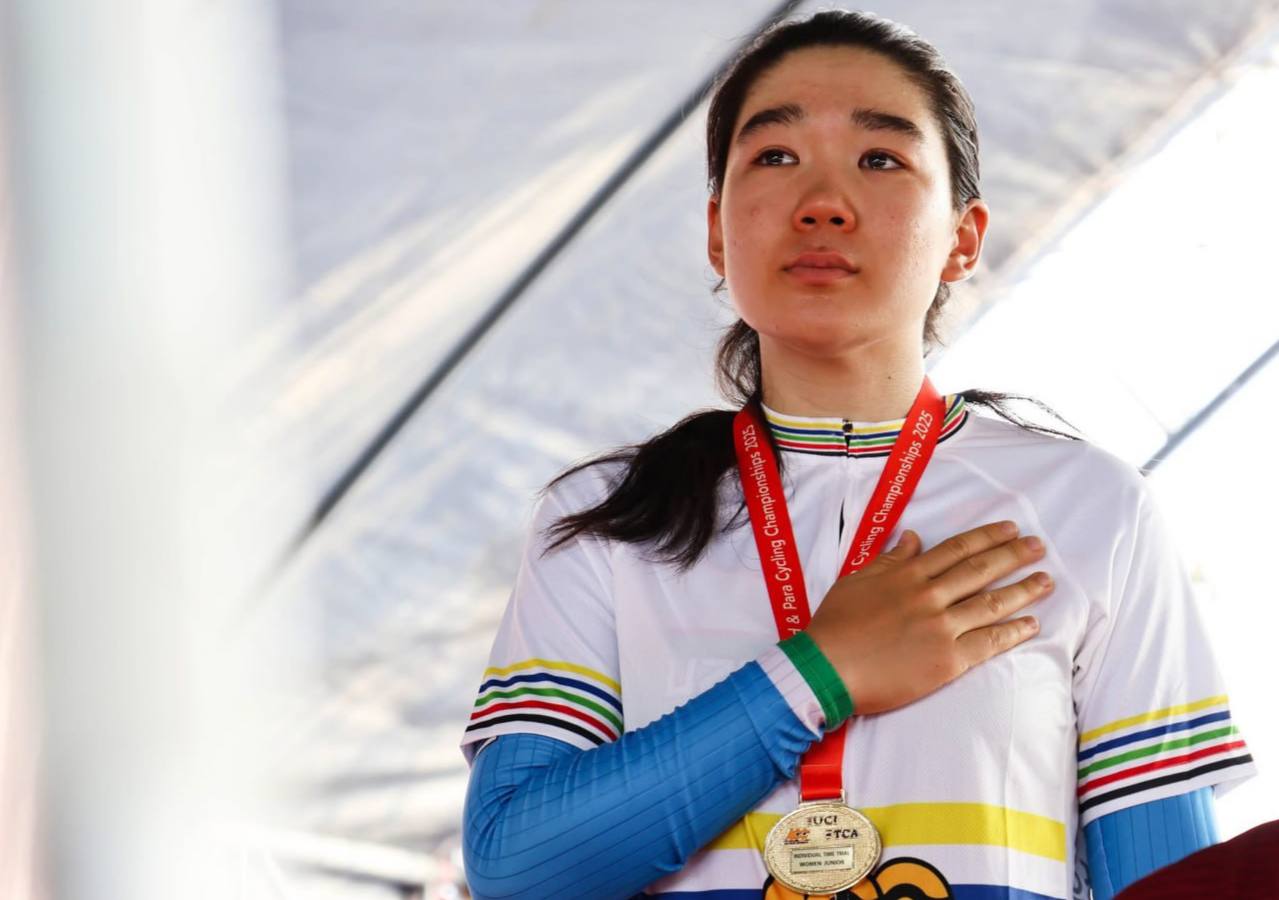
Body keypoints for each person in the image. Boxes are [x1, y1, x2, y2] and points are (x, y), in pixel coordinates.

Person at [459, 11, 1255, 900]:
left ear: (962, 238)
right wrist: (819, 672)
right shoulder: (603, 519)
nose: (823, 203)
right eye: (775, 156)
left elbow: (1168, 886)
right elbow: (515, 869)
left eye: (880, 159)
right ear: (717, 231)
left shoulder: (1090, 508)